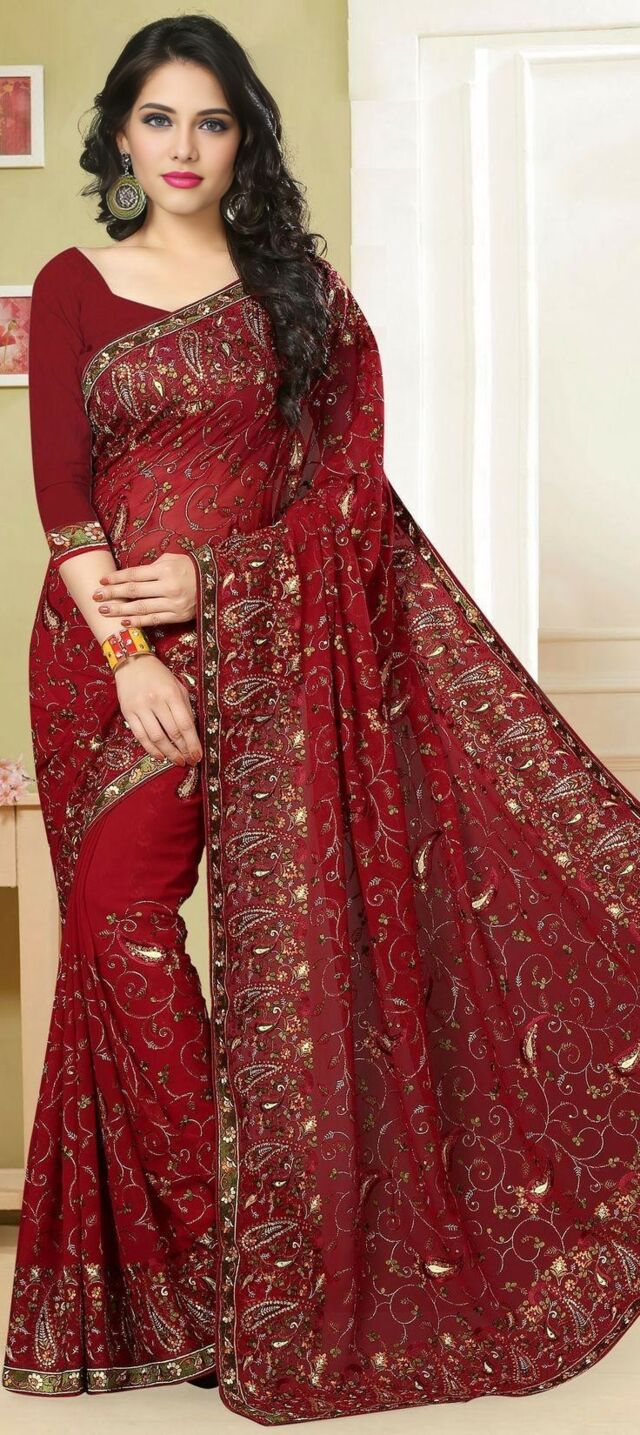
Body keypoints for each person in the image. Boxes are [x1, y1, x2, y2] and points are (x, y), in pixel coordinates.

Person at [3, 11, 639, 1424]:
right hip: (107, 674)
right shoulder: (74, 284)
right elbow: (64, 502)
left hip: (283, 663)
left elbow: (351, 502)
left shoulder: (303, 298)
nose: (183, 147)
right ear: (118, 137)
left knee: (302, 964)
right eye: (158, 119)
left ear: (246, 140)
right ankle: (223, 1270)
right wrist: (133, 657)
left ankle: (268, 1272)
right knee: (118, 939)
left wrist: (222, 588)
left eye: (212, 120)